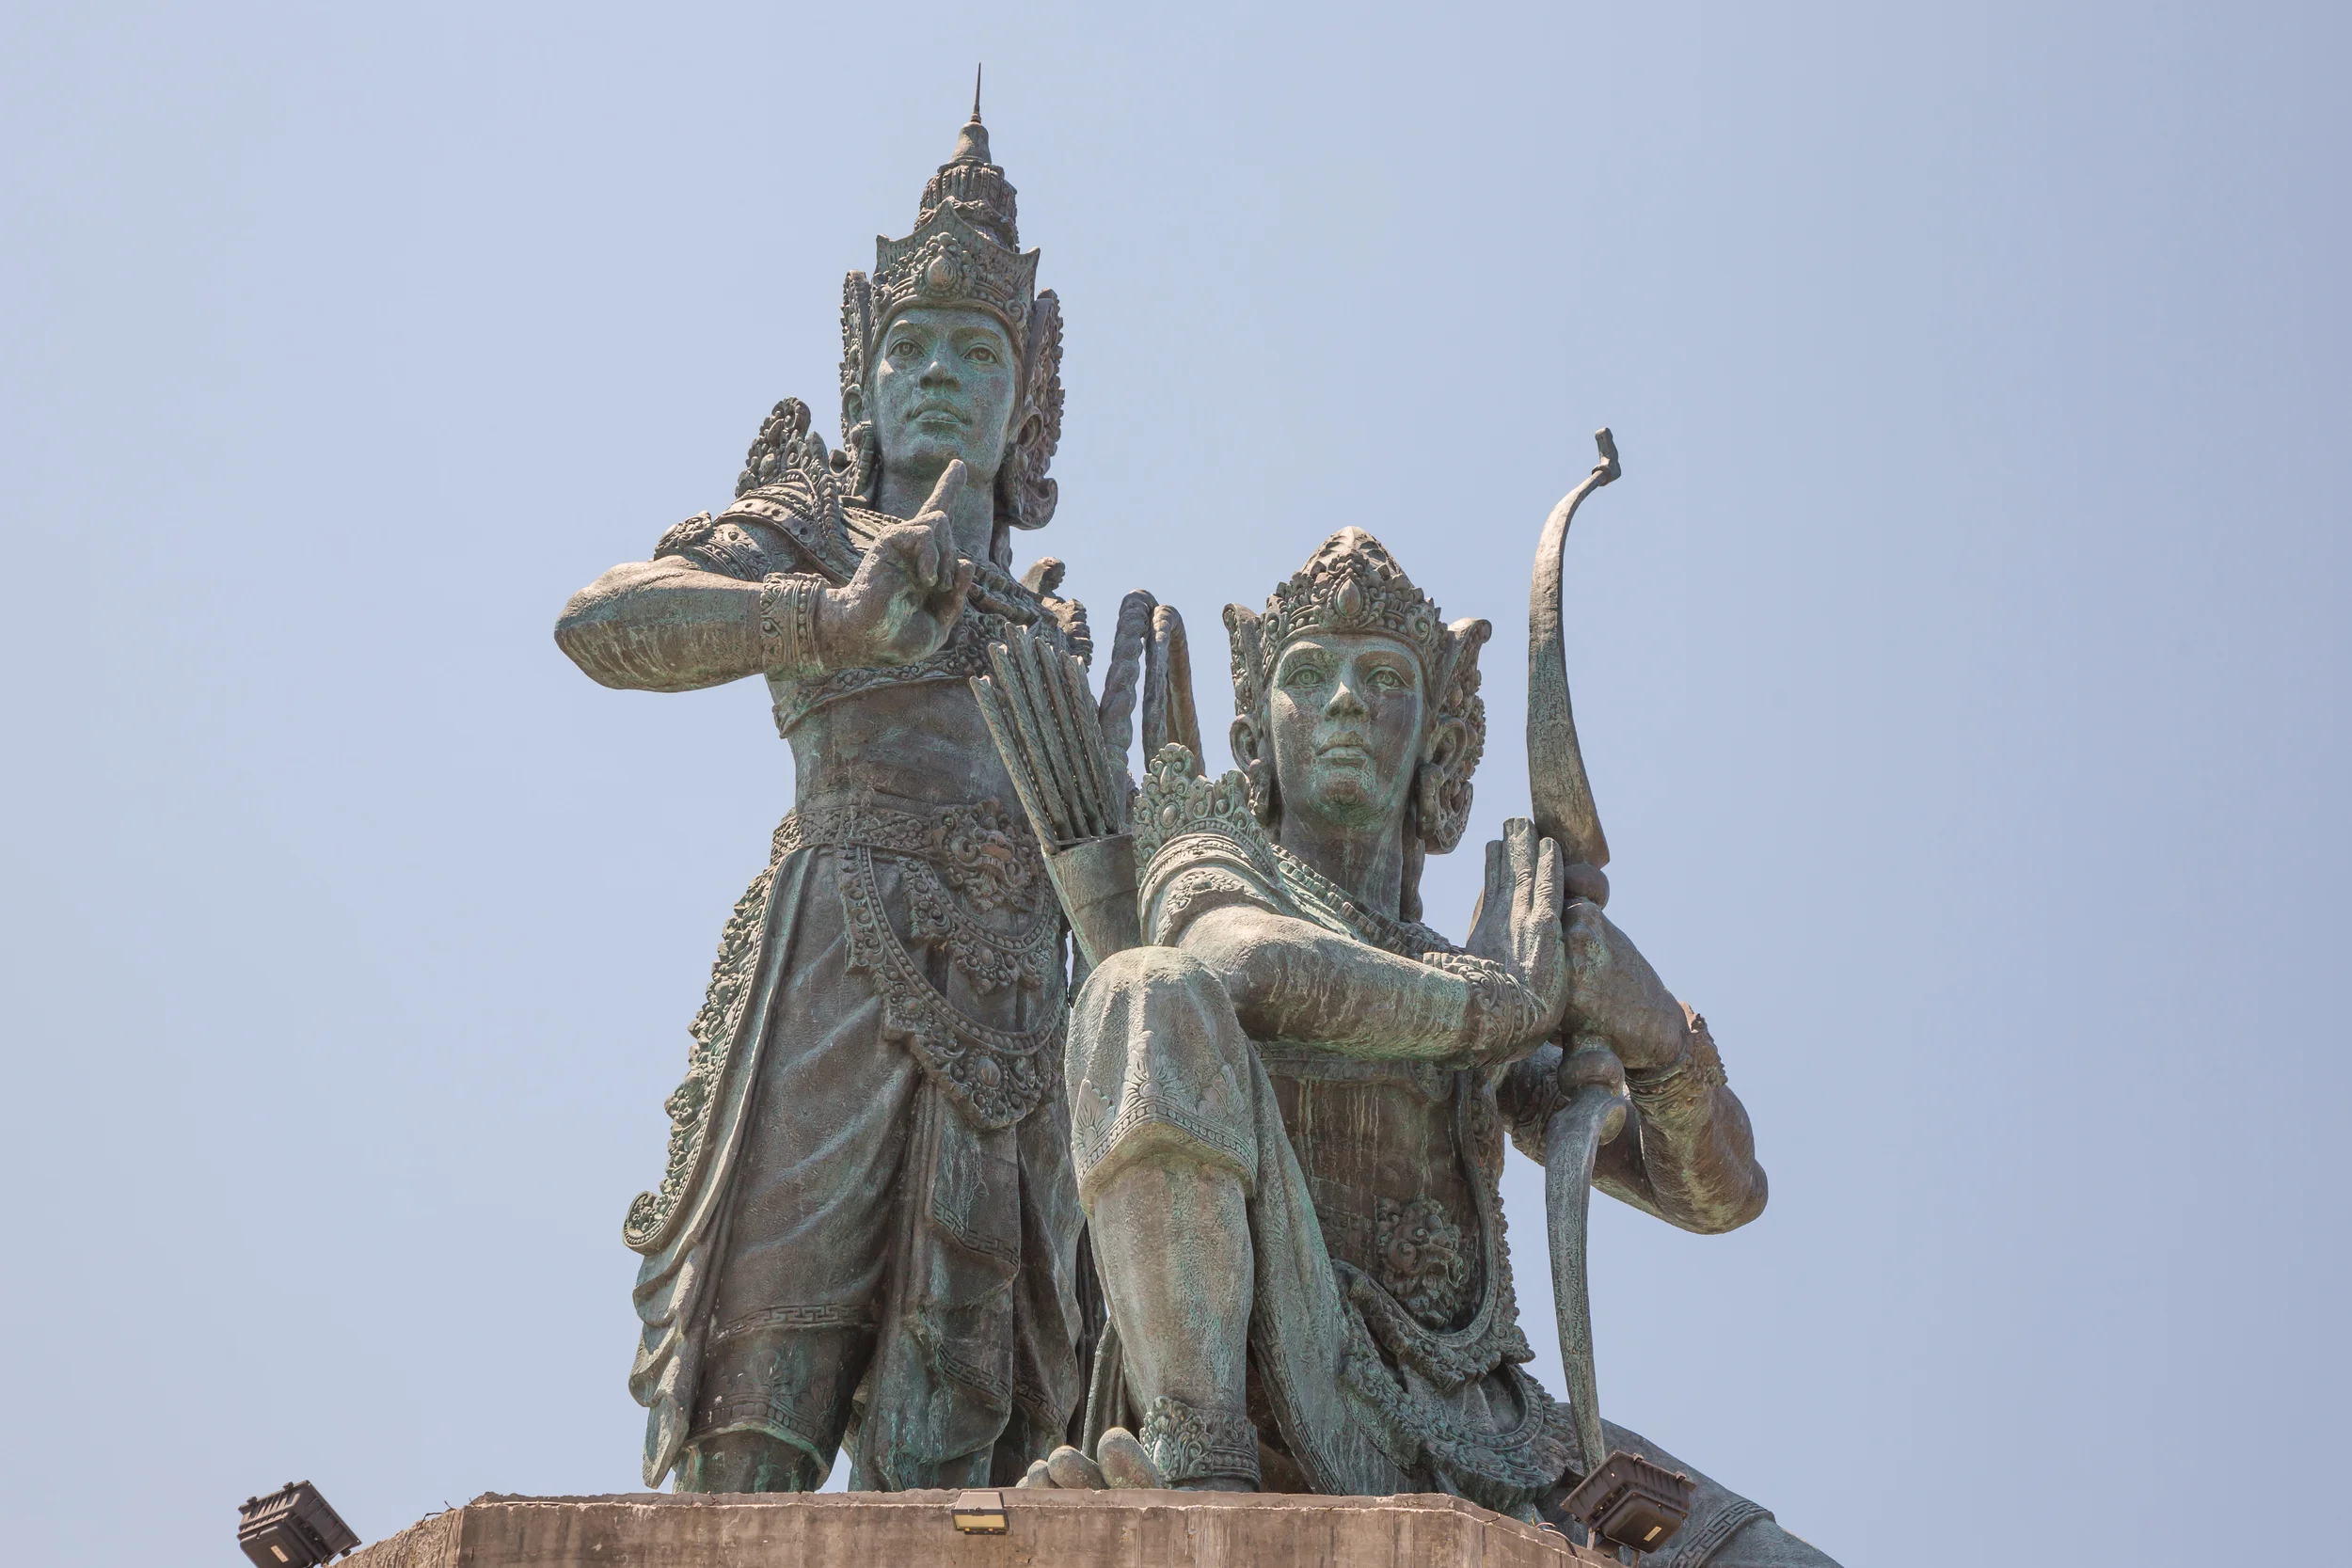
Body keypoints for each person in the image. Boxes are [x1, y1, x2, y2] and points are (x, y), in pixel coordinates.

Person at [1064, 529, 1838, 1565]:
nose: (1345, 701)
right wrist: (1500, 1002)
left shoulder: (1472, 970)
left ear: (1438, 738)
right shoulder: (1213, 864)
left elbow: (1722, 1195)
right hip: (1269, 1377)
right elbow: (1238, 961)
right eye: (1309, 675)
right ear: (1257, 735)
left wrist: (1653, 1031)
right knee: (1143, 987)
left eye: (1384, 678)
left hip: (1487, 1423)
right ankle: (1199, 1464)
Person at [553, 106, 1089, 1494]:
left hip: (1018, 1014)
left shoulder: (1053, 628)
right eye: (911, 347)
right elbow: (604, 618)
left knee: (972, 1450)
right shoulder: (817, 526)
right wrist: (826, 620)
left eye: (978, 353)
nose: (939, 374)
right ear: (864, 380)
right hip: (838, 959)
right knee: (761, 1398)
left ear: (1027, 403)